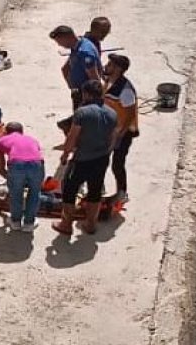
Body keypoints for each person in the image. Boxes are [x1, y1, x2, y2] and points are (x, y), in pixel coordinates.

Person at [54, 80, 117, 236]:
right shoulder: (112, 113)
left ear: (87, 94)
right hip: (101, 159)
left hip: (82, 160)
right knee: (95, 191)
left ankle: (66, 224)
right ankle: (90, 225)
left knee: (69, 189)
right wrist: (104, 153)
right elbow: (113, 138)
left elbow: (72, 137)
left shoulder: (82, 112)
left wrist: (65, 154)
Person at [0, 122, 45, 232]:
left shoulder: (1, 141)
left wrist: (8, 177)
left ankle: (15, 221)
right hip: (37, 164)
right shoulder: (32, 140)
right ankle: (29, 223)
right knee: (35, 193)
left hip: (16, 165)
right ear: (22, 132)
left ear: (6, 132)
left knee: (16, 193)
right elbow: (38, 155)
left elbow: (0, 166)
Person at [104, 54, 139, 204]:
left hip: (123, 133)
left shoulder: (125, 90)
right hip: (110, 129)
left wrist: (120, 135)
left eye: (110, 64)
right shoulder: (108, 82)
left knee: (117, 163)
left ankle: (122, 193)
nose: (106, 66)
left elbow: (130, 114)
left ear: (118, 69)